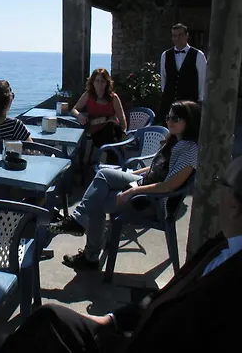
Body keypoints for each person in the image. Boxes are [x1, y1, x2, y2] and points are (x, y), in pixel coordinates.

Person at [0, 148, 242, 353]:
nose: (217, 192)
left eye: (222, 183)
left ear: (234, 204)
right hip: (131, 331)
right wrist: (113, 320)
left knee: (44, 332)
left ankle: (78, 225)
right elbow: (172, 293)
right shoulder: (234, 242)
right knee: (49, 318)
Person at [51, 100, 200, 270]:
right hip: (144, 184)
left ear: (190, 122)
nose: (169, 122)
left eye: (175, 119)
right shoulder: (175, 141)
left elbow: (168, 186)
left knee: (97, 201)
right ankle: (79, 223)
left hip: (152, 202)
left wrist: (133, 191)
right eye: (168, 117)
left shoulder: (189, 150)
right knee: (104, 174)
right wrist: (130, 175)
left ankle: (89, 255)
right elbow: (155, 168)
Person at [71, 68, 127, 165]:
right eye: (97, 81)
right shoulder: (88, 95)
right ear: (92, 82)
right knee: (111, 134)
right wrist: (79, 115)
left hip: (114, 131)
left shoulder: (113, 97)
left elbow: (122, 118)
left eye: (102, 81)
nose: (100, 84)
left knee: (111, 126)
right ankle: (116, 162)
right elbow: (74, 109)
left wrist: (124, 132)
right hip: (96, 133)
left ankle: (112, 162)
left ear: (107, 83)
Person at [159, 23, 207, 122]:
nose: (177, 38)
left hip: (189, 101)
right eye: (175, 35)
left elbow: (203, 79)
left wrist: (200, 100)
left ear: (187, 35)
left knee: (189, 126)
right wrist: (165, 95)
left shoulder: (198, 55)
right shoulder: (165, 55)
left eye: (180, 35)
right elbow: (164, 77)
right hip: (169, 101)